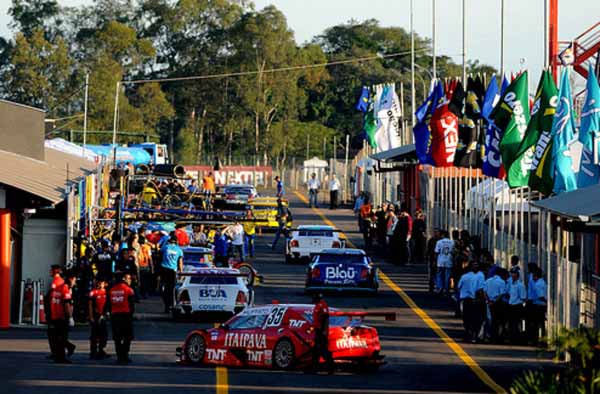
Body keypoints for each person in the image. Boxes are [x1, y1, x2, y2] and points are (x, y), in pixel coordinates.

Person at [106, 272, 135, 364]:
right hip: (126, 315)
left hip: (115, 315)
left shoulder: (111, 290)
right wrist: (131, 315)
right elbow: (132, 304)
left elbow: (108, 304)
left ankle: (119, 356)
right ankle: (125, 355)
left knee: (117, 337)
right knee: (128, 336)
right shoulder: (128, 290)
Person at [48, 271, 77, 363]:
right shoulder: (65, 289)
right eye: (74, 280)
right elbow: (66, 304)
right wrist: (70, 317)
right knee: (62, 338)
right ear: (70, 279)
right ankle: (61, 357)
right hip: (62, 317)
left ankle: (59, 355)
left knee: (57, 338)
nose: (75, 282)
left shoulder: (57, 288)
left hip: (55, 316)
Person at [457, 263, 484, 342]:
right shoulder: (477, 277)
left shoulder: (463, 277)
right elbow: (479, 289)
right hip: (473, 300)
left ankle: (467, 334)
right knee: (474, 318)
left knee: (465, 318)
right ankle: (473, 335)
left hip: (464, 300)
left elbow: (458, 287)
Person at [159, 236, 183, 313]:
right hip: (172, 270)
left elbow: (160, 252)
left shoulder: (166, 247)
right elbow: (180, 262)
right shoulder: (179, 249)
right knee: (171, 288)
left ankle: (167, 303)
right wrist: (181, 271)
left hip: (164, 269)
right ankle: (170, 305)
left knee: (164, 287)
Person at [485, 268, 508, 343]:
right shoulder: (501, 282)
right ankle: (497, 337)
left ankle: (490, 336)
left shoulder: (488, 281)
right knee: (498, 321)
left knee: (490, 319)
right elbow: (501, 294)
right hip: (498, 303)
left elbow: (484, 292)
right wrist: (494, 302)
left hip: (489, 302)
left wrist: (488, 300)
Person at [311, 294, 333, 373]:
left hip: (321, 331)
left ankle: (330, 367)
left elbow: (325, 317)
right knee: (315, 350)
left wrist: (324, 330)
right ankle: (314, 368)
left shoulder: (323, 305)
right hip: (317, 330)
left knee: (322, 350)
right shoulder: (317, 306)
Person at [88, 278, 110, 359]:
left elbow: (108, 304)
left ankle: (101, 350)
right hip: (96, 316)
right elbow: (90, 305)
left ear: (105, 284)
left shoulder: (107, 292)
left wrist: (107, 313)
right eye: (99, 283)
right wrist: (91, 317)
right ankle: (93, 352)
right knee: (94, 335)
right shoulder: (93, 293)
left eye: (102, 283)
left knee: (104, 335)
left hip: (103, 316)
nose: (100, 285)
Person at [506, 267, 526, 343]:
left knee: (516, 322)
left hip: (517, 306)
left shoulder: (520, 285)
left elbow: (523, 297)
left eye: (514, 274)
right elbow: (508, 294)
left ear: (517, 276)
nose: (512, 276)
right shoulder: (511, 284)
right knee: (511, 323)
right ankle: (511, 337)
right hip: (511, 305)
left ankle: (516, 338)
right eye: (512, 274)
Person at [529, 268, 547, 345]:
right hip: (541, 305)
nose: (532, 278)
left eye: (533, 276)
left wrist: (546, 301)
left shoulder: (537, 284)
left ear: (536, 276)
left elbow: (541, 296)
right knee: (541, 323)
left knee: (536, 324)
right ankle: (542, 339)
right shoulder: (543, 282)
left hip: (538, 305)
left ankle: (536, 340)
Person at [426, 229, 441, 293]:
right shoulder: (431, 240)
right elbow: (428, 249)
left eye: (436, 232)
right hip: (432, 258)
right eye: (434, 232)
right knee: (432, 273)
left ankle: (439, 287)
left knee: (437, 273)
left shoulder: (440, 241)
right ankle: (431, 286)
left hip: (439, 259)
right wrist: (427, 256)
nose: (435, 233)